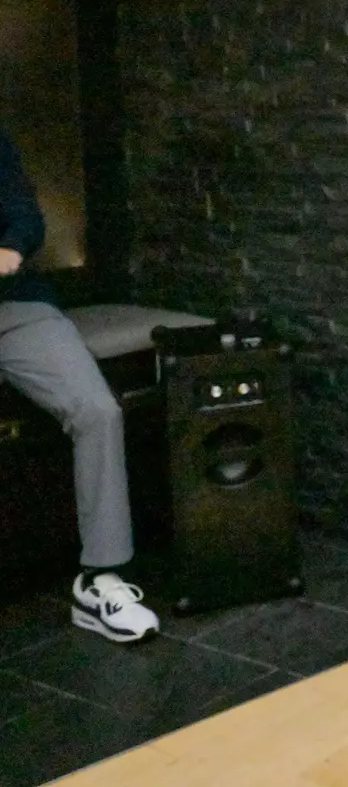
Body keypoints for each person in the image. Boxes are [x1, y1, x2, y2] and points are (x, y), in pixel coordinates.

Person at [0, 127, 159, 644]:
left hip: (15, 306)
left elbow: (25, 216)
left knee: (97, 410)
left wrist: (10, 247)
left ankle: (100, 580)